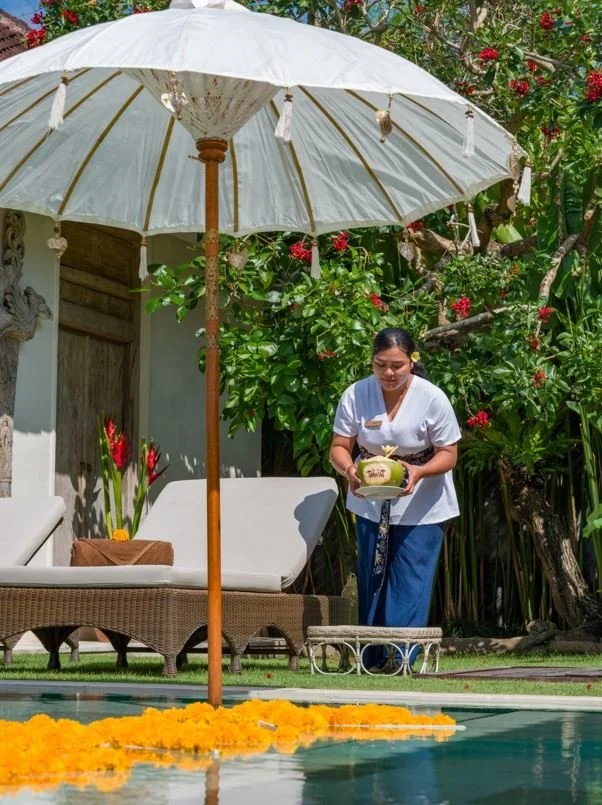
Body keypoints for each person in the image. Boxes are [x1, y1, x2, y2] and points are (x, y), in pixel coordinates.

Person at [329, 327, 461, 670]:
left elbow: (449, 454)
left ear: (411, 362)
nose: (389, 373)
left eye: (397, 365)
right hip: (370, 497)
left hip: (424, 501)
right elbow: (339, 448)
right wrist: (350, 473)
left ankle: (402, 658)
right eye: (380, 364)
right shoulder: (356, 394)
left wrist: (417, 472)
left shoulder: (432, 397)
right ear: (372, 363)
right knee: (372, 576)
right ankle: (368, 659)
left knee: (410, 579)